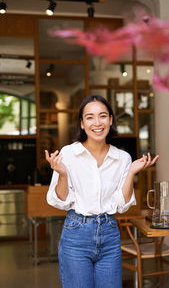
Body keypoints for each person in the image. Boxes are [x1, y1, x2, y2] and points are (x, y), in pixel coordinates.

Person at [45, 95, 159, 288]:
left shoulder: (122, 158)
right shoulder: (69, 154)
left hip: (109, 234)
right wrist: (63, 175)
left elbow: (122, 206)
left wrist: (131, 171)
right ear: (82, 123)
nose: (97, 123)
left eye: (102, 116)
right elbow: (61, 201)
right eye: (90, 117)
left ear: (111, 120)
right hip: (76, 235)